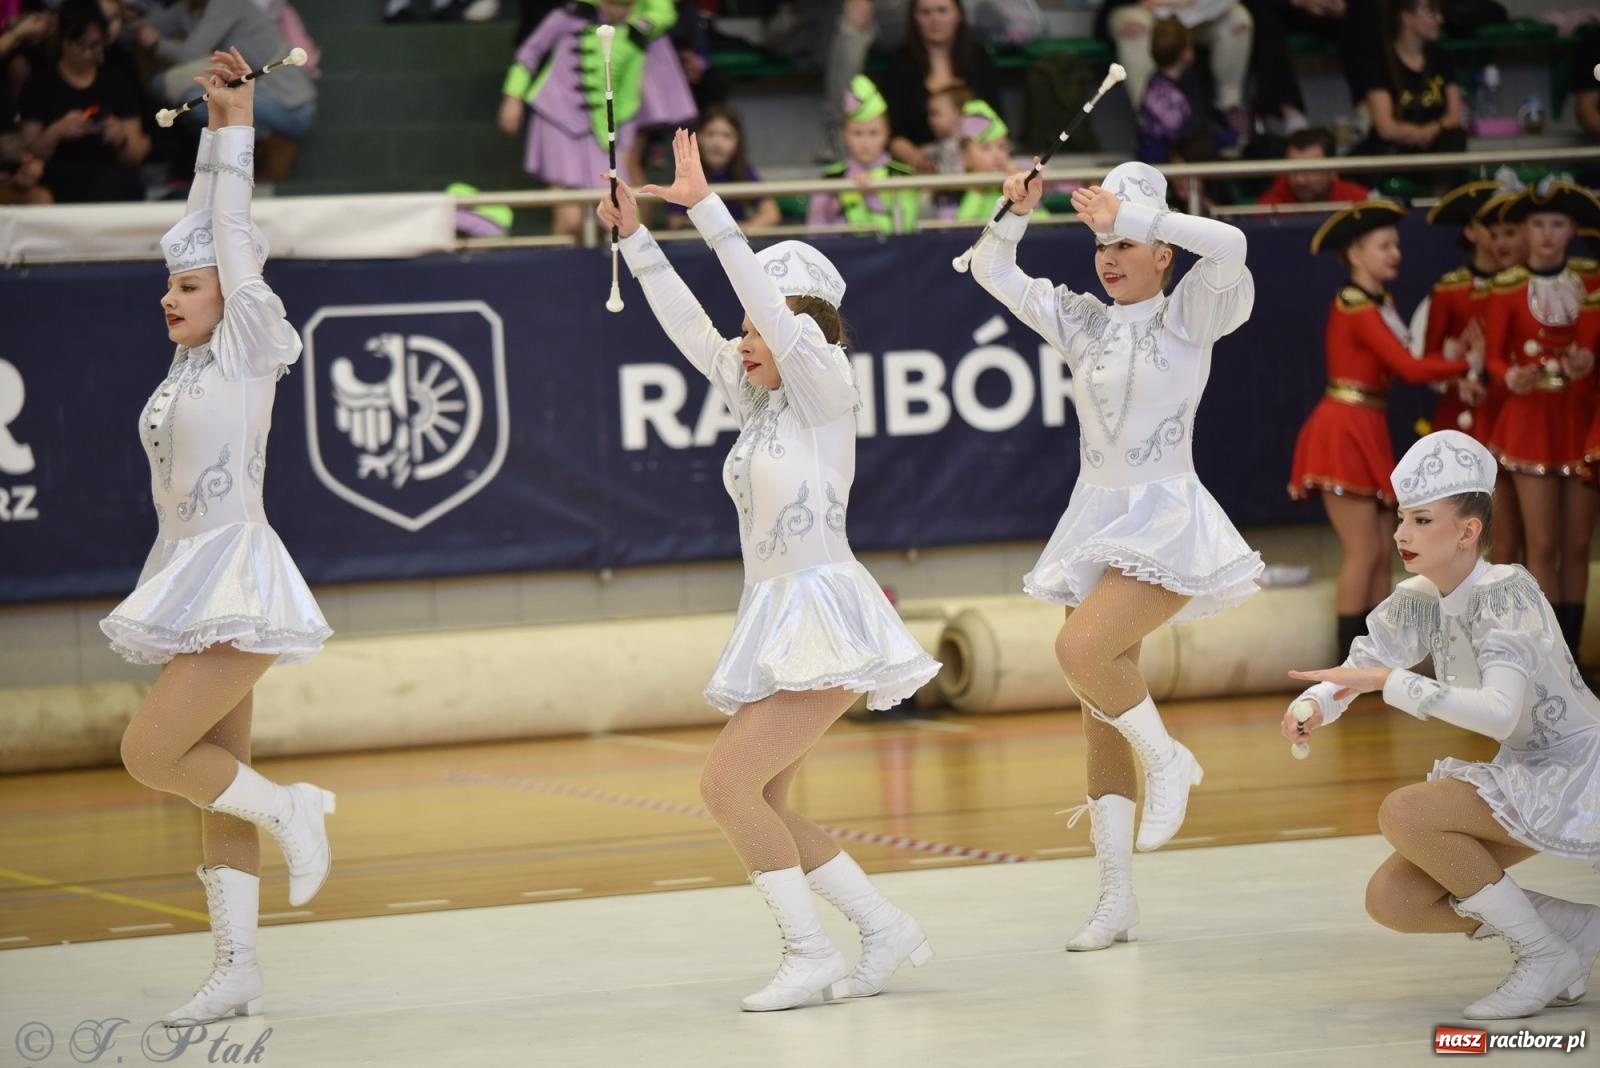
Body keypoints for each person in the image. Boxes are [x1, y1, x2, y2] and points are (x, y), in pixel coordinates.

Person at [602, 129, 940, 1011]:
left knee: (723, 786)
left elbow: (774, 316)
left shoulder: (827, 387)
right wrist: (636, 237)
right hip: (776, 613)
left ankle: (807, 952)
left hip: (825, 612)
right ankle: (882, 927)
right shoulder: (754, 403)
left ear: (801, 329)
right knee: (769, 799)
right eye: (746, 330)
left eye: (758, 328)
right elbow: (686, 322)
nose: (743, 342)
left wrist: (709, 213)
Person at [969, 158, 1262, 951]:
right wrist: (1014, 208)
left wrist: (1140, 216)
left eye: (1125, 243)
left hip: (1167, 515)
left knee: (1080, 649)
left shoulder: (1191, 313)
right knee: (1099, 717)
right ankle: (1116, 898)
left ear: (1162, 253)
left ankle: (1169, 761)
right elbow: (992, 268)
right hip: (1096, 520)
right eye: (1100, 242)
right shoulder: (1082, 319)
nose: (1109, 255)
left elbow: (1230, 241)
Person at [100, 47, 335, 1028]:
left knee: (150, 752)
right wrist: (207, 120)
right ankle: (236, 966)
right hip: (188, 576)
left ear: (227, 297)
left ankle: (293, 809)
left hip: (236, 572)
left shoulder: (243, 345)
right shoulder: (186, 366)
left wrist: (237, 125)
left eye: (188, 289)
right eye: (171, 287)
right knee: (211, 785)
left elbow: (227, 233)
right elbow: (204, 222)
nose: (171, 298)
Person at [1286, 429, 1600, 1021]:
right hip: (1528, 769)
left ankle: (1539, 953)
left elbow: (1501, 711)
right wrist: (1316, 706)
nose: (1401, 533)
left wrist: (1391, 684)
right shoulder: (1424, 596)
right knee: (1396, 900)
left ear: (1468, 531)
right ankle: (1575, 932)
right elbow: (1367, 659)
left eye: (1421, 520)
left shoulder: (1507, 592)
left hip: (1577, 767)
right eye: (1402, 518)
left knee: (1406, 812)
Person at [1289, 200, 1472, 660]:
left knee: (1377, 551)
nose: (1396, 254)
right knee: (1362, 550)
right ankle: (1347, 663)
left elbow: (1411, 360)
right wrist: (1468, 363)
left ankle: (1375, 659)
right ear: (1355, 253)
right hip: (1343, 428)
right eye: (1384, 245)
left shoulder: (1379, 303)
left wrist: (1453, 357)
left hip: (1366, 423)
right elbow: (1408, 367)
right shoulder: (1354, 304)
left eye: (1397, 245)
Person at [1482, 180, 1600, 657]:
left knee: (1577, 545)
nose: (1547, 234)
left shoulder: (1591, 283)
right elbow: (1491, 358)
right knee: (1543, 543)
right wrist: (1512, 375)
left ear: (1572, 229)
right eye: (1537, 224)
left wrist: (1587, 361)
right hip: (1529, 420)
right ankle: (1545, 660)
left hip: (1579, 418)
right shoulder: (1507, 288)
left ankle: (1572, 658)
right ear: (1524, 229)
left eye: (1557, 224)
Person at [499, 0, 693, 237]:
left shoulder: (634, 37)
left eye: (626, 5)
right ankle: (566, 270)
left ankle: (641, 264)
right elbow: (529, 53)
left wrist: (623, 142)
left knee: (617, 212)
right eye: (613, 3)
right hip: (556, 113)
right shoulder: (566, 17)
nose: (618, 10)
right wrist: (513, 95)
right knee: (569, 218)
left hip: (602, 127)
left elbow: (628, 99)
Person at [136, 0, 317, 178]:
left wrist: (156, 45)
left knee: (198, 99)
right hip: (261, 96)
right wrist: (124, 18)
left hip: (290, 105)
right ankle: (254, 146)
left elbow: (191, 53)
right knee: (177, 91)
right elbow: (142, 27)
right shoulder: (186, 8)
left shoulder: (226, 3)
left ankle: (268, 143)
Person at [17, 0, 147, 202]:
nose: (87, 54)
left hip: (109, 175)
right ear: (64, 40)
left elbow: (136, 155)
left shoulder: (117, 81)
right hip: (57, 177)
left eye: (94, 45)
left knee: (122, 184)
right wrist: (56, 131)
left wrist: (120, 138)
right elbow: (27, 157)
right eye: (80, 45)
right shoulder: (40, 85)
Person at [1098, 0, 1253, 141]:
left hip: (1199, 13)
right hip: (1144, 9)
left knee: (1238, 20)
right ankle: (1149, 113)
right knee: (1134, 27)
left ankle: (1229, 106)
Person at [1421, 180, 1503, 441]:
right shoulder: (1449, 290)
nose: (1499, 233)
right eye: (1490, 225)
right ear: (1470, 231)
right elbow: (1430, 359)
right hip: (1462, 411)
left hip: (1512, 406)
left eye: (1507, 225)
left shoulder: (1524, 285)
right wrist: (1458, 372)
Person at [882, 0, 997, 174]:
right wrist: (915, 158)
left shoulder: (978, 58)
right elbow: (892, 131)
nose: (934, 19)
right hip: (917, 170)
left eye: (942, 11)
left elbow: (995, 120)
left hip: (978, 167)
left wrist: (976, 158)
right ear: (914, 18)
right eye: (926, 12)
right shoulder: (900, 64)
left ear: (958, 14)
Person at [1351, 0, 1464, 170]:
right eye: (1430, 12)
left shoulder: (1442, 57)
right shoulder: (1380, 61)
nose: (1439, 20)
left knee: (1455, 138)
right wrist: (1418, 133)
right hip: (1396, 145)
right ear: (1407, 17)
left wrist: (1432, 129)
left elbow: (1455, 116)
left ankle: (1441, 195)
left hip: (1435, 141)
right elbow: (1385, 127)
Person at [808, 75, 919, 235]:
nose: (865, 142)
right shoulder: (830, 179)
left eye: (873, 133)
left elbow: (903, 232)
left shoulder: (903, 175)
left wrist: (869, 195)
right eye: (857, 133)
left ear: (887, 133)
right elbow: (815, 235)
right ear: (844, 134)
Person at [664, 104, 777, 232]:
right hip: (698, 245)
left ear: (738, 142)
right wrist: (719, 233)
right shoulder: (685, 173)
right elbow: (675, 221)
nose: (717, 143)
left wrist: (739, 230)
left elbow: (771, 213)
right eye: (710, 134)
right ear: (697, 138)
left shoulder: (744, 171)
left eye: (727, 135)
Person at [1254, 127, 1370, 206]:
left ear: (1332, 170)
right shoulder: (1271, 206)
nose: (1300, 180)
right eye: (1293, 170)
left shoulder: (1357, 202)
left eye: (1309, 170)